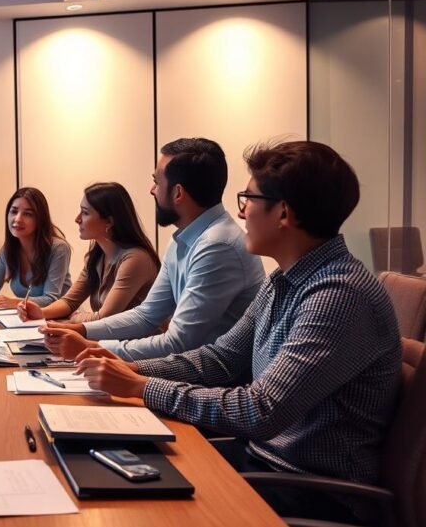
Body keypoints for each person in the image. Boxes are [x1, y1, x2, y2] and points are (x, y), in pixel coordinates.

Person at [72, 141, 402, 523]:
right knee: (104, 472)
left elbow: (260, 410)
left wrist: (140, 387)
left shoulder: (337, 296)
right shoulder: (283, 280)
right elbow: (219, 359)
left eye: (248, 199)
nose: (241, 212)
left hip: (312, 490)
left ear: (283, 213)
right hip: (263, 462)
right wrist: (127, 368)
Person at [42, 138, 265, 361]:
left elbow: (179, 343)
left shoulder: (217, 246)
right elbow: (147, 314)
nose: (152, 190)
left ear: (178, 193)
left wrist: (92, 348)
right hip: (189, 372)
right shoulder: (184, 237)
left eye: (156, 182)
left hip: (213, 383)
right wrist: (82, 331)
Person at [18, 182, 159, 325]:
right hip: (109, 342)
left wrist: (75, 317)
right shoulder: (97, 256)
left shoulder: (136, 259)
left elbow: (105, 318)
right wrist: (41, 313)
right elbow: (70, 302)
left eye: (85, 212)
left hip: (138, 345)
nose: (77, 219)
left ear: (109, 221)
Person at [0, 187, 72, 309]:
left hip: (63, 319)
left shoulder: (59, 248)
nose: (17, 219)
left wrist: (13, 303)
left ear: (40, 219)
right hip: (28, 320)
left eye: (28, 214)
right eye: (14, 211)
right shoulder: (9, 249)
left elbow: (50, 299)